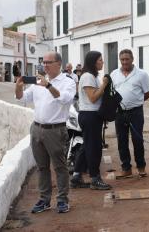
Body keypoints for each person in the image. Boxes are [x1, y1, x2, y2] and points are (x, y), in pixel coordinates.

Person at [15, 51, 76, 214]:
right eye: (44, 62)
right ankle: (44, 199)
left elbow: (64, 98)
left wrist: (48, 85)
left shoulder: (67, 81)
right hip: (37, 128)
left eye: (49, 62)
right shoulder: (37, 81)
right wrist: (18, 87)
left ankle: (62, 200)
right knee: (42, 167)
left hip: (55, 130)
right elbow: (22, 98)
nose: (45, 65)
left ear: (59, 64)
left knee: (60, 166)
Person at [70, 51, 112, 190]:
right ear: (94, 62)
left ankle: (76, 176)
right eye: (100, 60)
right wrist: (104, 85)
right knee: (94, 148)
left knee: (86, 145)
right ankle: (95, 178)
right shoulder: (88, 76)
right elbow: (93, 97)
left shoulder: (91, 76)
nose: (102, 62)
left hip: (91, 115)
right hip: (90, 115)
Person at [110, 49, 149, 178]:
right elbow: (111, 92)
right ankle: (126, 168)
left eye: (127, 59)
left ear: (132, 59)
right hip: (120, 113)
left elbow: (148, 92)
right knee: (121, 140)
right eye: (122, 59)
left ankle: (141, 166)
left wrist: (137, 101)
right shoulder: (114, 74)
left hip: (136, 112)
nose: (124, 62)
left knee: (137, 140)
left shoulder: (142, 74)